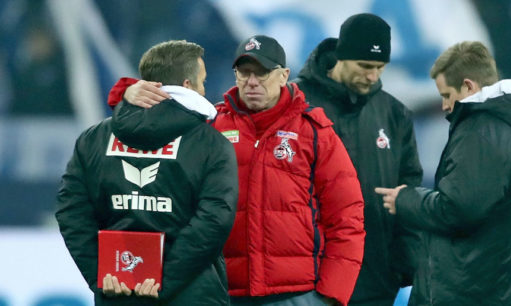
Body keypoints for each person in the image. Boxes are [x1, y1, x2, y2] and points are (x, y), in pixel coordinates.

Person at [107, 35, 366, 306]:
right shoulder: (210, 124)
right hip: (222, 294)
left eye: (262, 72)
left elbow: (347, 215)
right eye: (244, 72)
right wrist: (126, 91)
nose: (252, 81)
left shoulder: (314, 131)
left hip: (299, 295)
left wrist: (332, 293)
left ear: (284, 76)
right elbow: (153, 121)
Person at [375, 41, 511, 305]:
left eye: (446, 95)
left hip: (469, 294)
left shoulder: (482, 131)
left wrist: (406, 199)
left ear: (468, 86)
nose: (443, 106)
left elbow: (457, 209)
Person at [56, 40, 239, 305]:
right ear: (187, 85)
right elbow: (214, 221)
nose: (204, 89)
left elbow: (71, 212)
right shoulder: (212, 144)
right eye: (202, 82)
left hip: (117, 289)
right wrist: (162, 280)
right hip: (192, 293)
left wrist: (100, 273)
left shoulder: (93, 139)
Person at [293, 13, 424, 305]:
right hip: (307, 282)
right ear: (341, 56)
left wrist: (404, 265)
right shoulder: (293, 103)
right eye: (365, 66)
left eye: (380, 67)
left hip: (376, 281)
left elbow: (409, 190)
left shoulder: (394, 114)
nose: (372, 76)